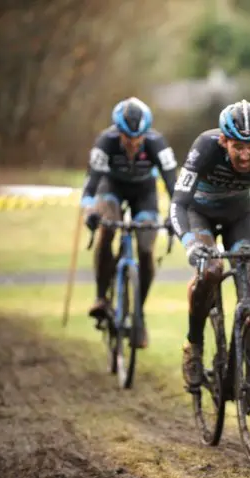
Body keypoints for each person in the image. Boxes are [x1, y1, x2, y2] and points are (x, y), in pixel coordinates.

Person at [169, 99, 250, 397]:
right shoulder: (205, 147)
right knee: (211, 271)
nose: (245, 154)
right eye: (237, 147)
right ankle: (194, 346)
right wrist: (190, 244)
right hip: (197, 213)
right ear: (224, 140)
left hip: (238, 216)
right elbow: (178, 203)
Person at [80, 97, 178, 348]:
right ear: (118, 131)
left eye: (138, 138)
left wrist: (174, 215)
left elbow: (174, 188)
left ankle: (138, 314)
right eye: (127, 137)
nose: (133, 143)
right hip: (110, 187)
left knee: (146, 248)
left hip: (144, 193)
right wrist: (89, 210)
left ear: (146, 133)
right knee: (108, 227)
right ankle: (101, 297)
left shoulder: (158, 144)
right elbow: (91, 186)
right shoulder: (106, 142)